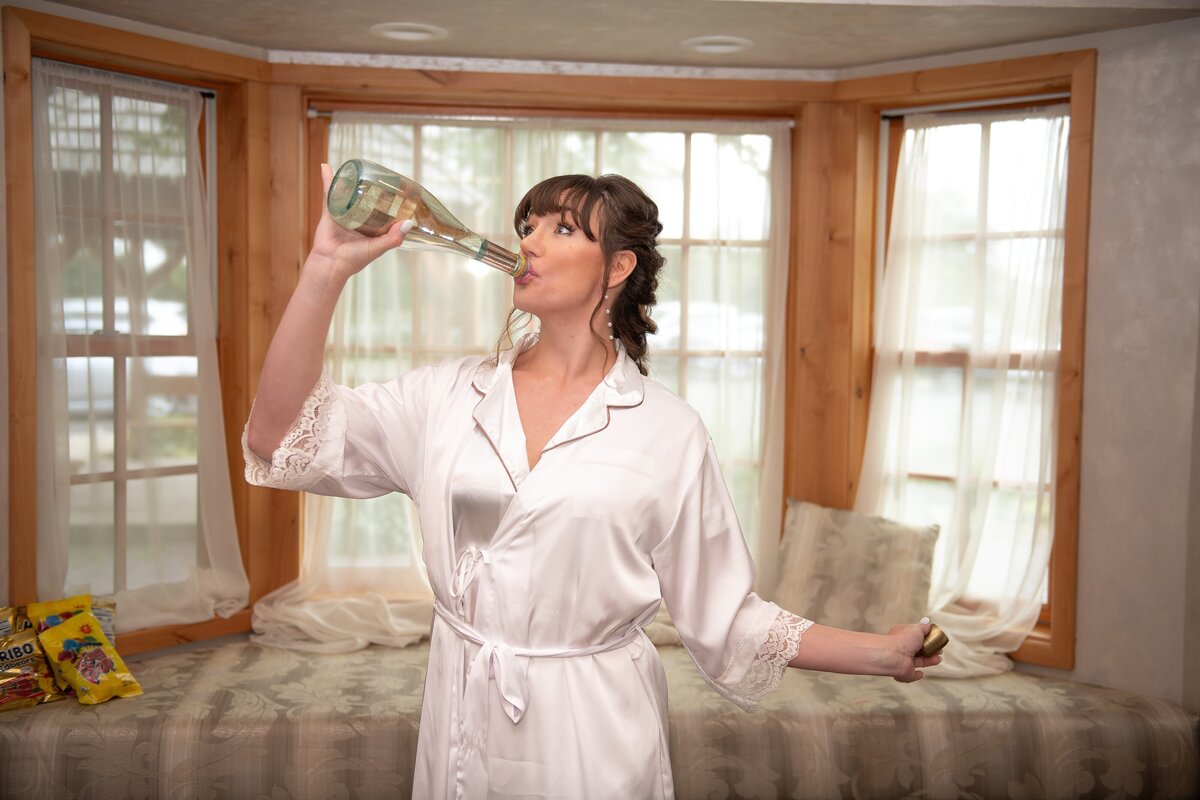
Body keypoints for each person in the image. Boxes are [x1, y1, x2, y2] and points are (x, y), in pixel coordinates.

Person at [244, 166, 943, 799]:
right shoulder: (444, 398)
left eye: (561, 229)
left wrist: (881, 652)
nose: (528, 241)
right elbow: (278, 438)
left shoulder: (668, 431)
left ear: (618, 266)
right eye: (528, 224)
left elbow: (728, 618)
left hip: (594, 731)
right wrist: (325, 269)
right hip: (460, 711)